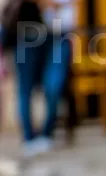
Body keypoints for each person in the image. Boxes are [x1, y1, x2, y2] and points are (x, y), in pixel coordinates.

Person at [4, 0, 74, 156]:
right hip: (27, 32)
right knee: (25, 89)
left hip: (57, 34)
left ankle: (46, 134)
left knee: (53, 85)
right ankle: (29, 138)